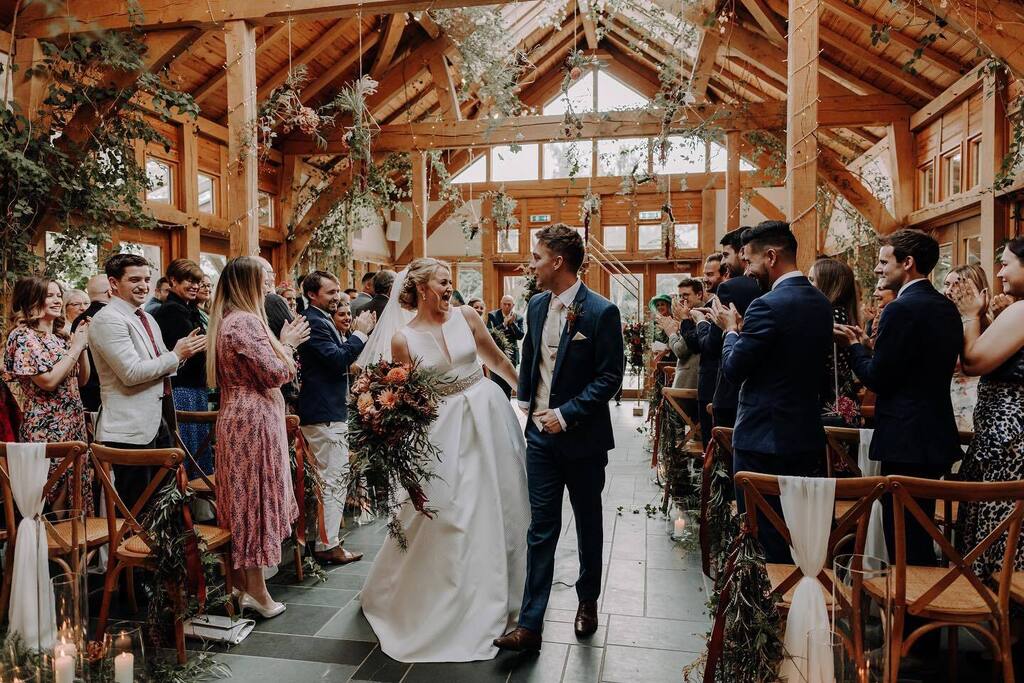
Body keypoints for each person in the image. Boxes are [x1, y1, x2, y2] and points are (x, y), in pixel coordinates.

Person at [360, 258, 530, 662]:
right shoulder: (403, 338)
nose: (449, 287)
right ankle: (443, 593)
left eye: (451, 281)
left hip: (488, 417)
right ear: (421, 287)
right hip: (443, 429)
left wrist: (528, 397)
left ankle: (504, 588)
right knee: (447, 509)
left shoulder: (468, 316)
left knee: (501, 501)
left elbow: (498, 362)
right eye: (442, 281)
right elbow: (404, 398)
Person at [495, 225, 624, 653]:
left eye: (536, 257)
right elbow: (530, 356)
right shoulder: (535, 305)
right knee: (541, 527)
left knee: (588, 523)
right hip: (540, 441)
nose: (530, 264)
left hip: (583, 440)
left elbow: (610, 377)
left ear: (557, 262)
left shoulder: (601, 312)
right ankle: (531, 623)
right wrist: (525, 405)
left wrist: (566, 415)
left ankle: (587, 600)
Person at [835, 229, 963, 567]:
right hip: (935, 433)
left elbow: (880, 377)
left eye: (883, 261)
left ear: (907, 263)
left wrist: (853, 350)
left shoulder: (900, 309)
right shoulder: (946, 308)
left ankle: (908, 615)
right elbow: (914, 366)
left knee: (904, 540)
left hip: (905, 438)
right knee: (921, 533)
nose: (877, 269)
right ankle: (920, 611)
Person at [712, 221, 833, 563]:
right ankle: (792, 605)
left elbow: (734, 369)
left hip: (763, 441)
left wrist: (731, 333)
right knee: (798, 534)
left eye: (749, 261)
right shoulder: (821, 303)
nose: (747, 271)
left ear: (771, 256)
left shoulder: (767, 306)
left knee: (761, 537)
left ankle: (765, 608)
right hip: (806, 437)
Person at [207, 256, 310, 619]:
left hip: (239, 414)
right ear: (248, 284)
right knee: (254, 501)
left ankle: (240, 585)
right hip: (253, 418)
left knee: (243, 500)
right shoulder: (246, 322)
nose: (270, 286)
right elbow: (276, 372)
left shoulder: (228, 320)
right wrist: (289, 344)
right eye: (264, 280)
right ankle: (258, 593)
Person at [90, 254, 206, 510]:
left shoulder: (147, 318)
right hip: (128, 429)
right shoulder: (108, 319)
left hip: (159, 420)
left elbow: (163, 364)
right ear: (113, 282)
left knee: (161, 505)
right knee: (135, 508)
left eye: (146, 279)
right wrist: (177, 354)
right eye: (134, 279)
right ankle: (134, 550)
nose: (143, 285)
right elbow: (131, 373)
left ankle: (158, 551)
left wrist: (184, 354)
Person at [949, 238, 1024, 582]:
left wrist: (970, 316)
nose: (999, 271)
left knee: (1001, 534)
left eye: (1006, 263)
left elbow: (974, 360)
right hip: (1005, 437)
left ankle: (997, 616)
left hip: (1008, 441)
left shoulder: (1022, 311)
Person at [297, 270, 374, 565]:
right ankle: (328, 545)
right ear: (312, 294)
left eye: (338, 290)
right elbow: (337, 359)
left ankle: (325, 540)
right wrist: (359, 334)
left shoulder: (320, 319)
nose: (337, 297)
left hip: (326, 409)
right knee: (334, 480)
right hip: (324, 412)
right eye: (330, 292)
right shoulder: (314, 322)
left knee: (331, 480)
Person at [4, 276, 93, 513]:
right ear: (32, 300)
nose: (57, 300)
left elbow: (82, 379)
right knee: (50, 501)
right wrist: (75, 348)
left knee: (71, 497)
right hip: (46, 426)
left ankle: (72, 549)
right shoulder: (23, 336)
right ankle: (50, 549)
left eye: (58, 295)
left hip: (73, 424)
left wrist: (80, 344)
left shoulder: (58, 337)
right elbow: (49, 382)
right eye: (49, 295)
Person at [682, 228, 761, 444]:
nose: (725, 263)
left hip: (727, 385)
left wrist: (700, 322)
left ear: (742, 252)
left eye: (726, 255)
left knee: (719, 455)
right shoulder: (766, 286)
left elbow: (710, 346)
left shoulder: (731, 289)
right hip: (758, 391)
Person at [153, 259, 211, 474]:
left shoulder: (189, 309)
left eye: (197, 281)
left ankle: (198, 497)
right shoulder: (171, 312)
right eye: (189, 280)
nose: (195, 286)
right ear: (173, 281)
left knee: (198, 445)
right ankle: (186, 496)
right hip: (181, 388)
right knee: (187, 446)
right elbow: (183, 354)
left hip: (195, 387)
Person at [808, 257, 861, 426]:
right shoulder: (843, 313)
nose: (807, 286)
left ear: (827, 284)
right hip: (842, 398)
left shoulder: (831, 315)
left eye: (811, 280)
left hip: (829, 401)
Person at [943, 265, 987, 431]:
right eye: (947, 284)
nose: (949, 291)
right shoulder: (945, 320)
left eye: (957, 285)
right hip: (947, 399)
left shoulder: (982, 322)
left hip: (971, 401)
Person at [655, 278, 702, 420]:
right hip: (687, 381)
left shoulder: (696, 315)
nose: (682, 300)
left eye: (686, 295)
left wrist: (671, 333)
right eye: (680, 296)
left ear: (699, 294)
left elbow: (680, 350)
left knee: (672, 419)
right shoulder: (687, 314)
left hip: (690, 384)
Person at [75, 275, 111, 412]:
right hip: (107, 389)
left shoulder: (78, 320)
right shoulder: (111, 317)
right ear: (110, 292)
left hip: (85, 389)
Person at [485, 295, 525, 399]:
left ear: (513, 305)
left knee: (508, 385)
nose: (507, 306)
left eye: (509, 304)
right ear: (501, 304)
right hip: (495, 355)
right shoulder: (492, 315)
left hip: (511, 357)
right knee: (496, 385)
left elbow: (520, 336)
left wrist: (512, 325)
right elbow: (489, 334)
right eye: (505, 304)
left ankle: (507, 408)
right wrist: (504, 324)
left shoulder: (518, 318)